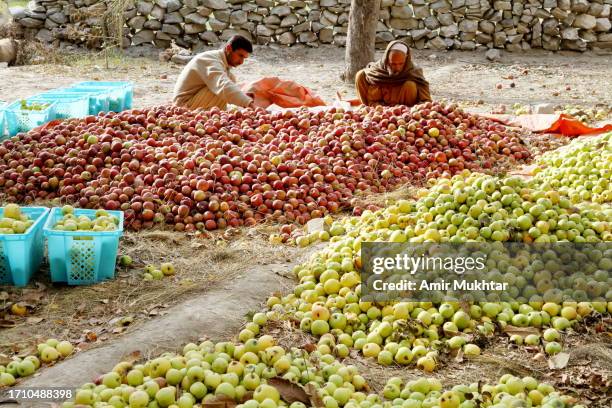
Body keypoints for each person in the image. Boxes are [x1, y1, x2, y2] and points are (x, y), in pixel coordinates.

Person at [173, 35, 255, 110]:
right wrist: (249, 103)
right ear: (229, 48)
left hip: (194, 100)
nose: (241, 62)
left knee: (230, 80)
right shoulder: (210, 59)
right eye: (240, 56)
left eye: (244, 58)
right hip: (184, 105)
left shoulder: (221, 61)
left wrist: (242, 96)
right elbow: (223, 85)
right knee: (223, 88)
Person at [355, 40, 431, 107]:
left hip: (404, 110)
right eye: (393, 64)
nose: (397, 68)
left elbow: (426, 101)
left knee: (410, 85)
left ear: (406, 58)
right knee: (360, 74)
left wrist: (419, 108)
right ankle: (367, 109)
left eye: (401, 64)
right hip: (377, 108)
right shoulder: (377, 69)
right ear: (386, 59)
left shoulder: (414, 71)